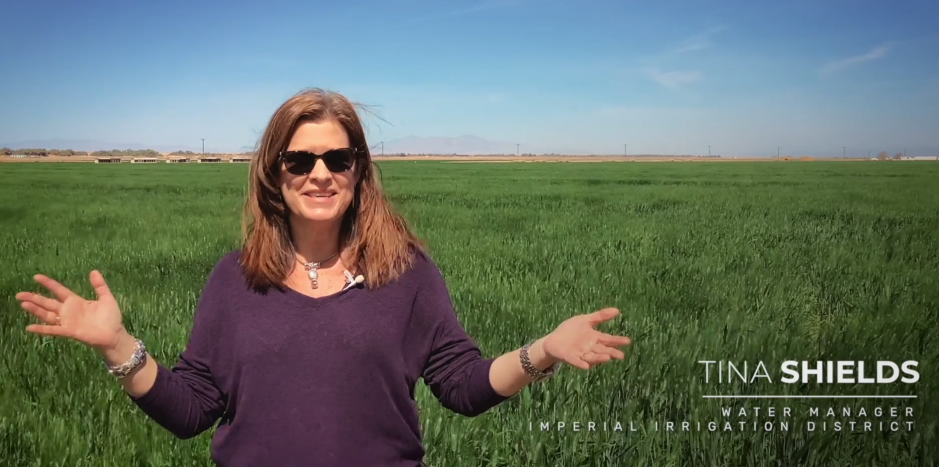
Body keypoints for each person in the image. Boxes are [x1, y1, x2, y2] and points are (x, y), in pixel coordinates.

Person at [15, 88, 631, 467]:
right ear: (273, 174)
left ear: (359, 171)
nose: (320, 174)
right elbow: (194, 411)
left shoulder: (407, 275)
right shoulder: (235, 281)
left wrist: (544, 349)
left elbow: (463, 388)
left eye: (338, 159)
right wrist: (115, 345)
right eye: (299, 160)